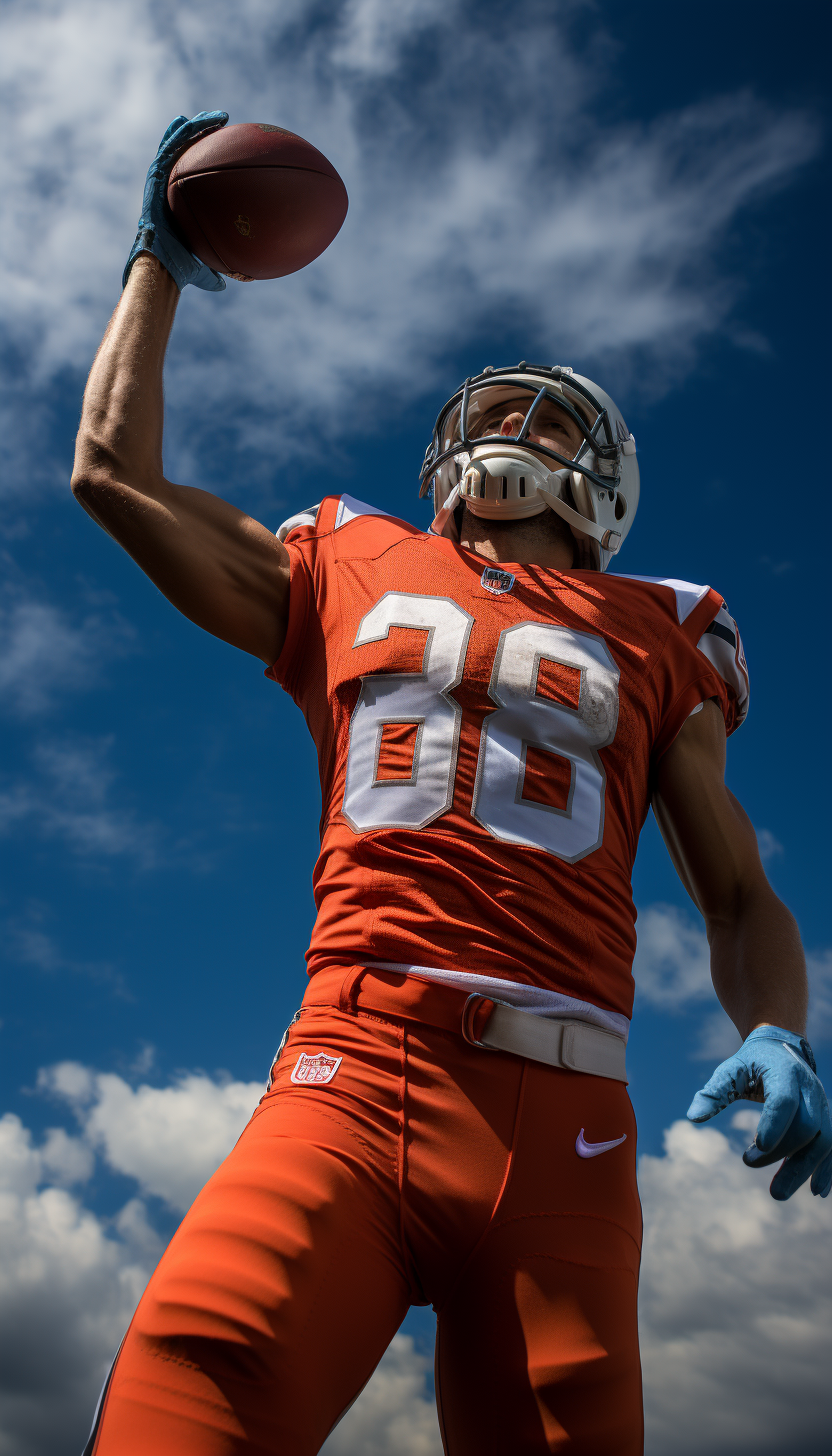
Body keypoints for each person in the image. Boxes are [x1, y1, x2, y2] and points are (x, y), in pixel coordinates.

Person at [72, 114, 831, 1456]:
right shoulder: (349, 558)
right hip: (351, 1070)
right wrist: (164, 263)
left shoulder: (664, 630)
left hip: (568, 1122)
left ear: (605, 486)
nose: (510, 426)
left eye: (546, 416)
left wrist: (780, 1028)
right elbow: (111, 476)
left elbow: (737, 893)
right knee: (179, 1409)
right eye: (489, 409)